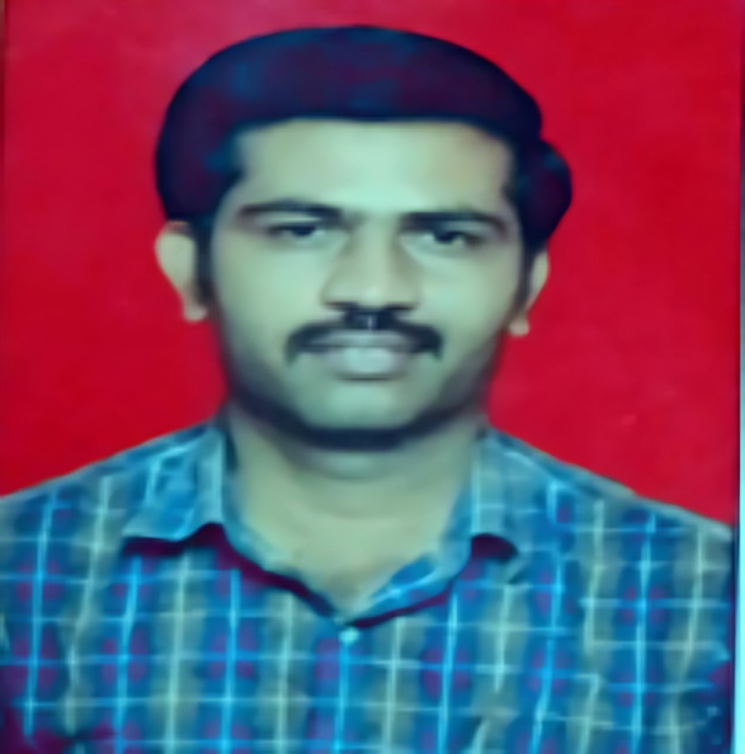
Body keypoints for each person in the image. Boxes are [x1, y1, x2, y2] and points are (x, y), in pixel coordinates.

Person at [0, 25, 733, 753]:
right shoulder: (20, 572)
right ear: (190, 270)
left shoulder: (706, 599)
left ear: (526, 285)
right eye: (301, 230)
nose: (374, 289)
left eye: (444, 237)